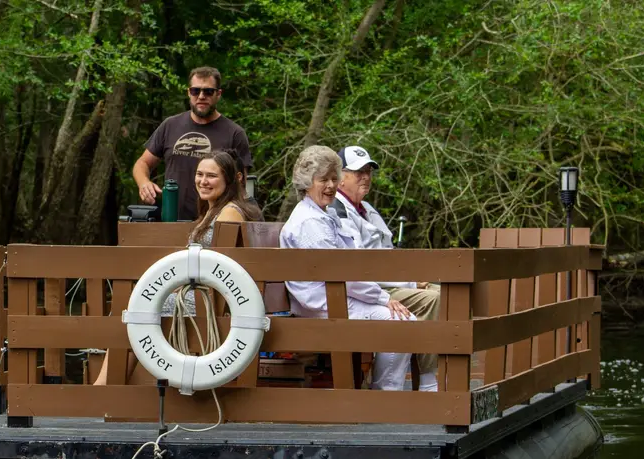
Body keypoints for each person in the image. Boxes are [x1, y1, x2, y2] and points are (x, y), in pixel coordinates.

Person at [93, 150, 261, 385]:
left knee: (139, 306)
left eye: (211, 176)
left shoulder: (229, 213)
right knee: (137, 303)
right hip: (203, 293)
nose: (203, 181)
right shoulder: (212, 210)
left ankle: (104, 387)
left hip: (215, 300)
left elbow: (221, 270)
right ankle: (110, 385)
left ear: (230, 180)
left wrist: (173, 287)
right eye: (199, 174)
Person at [279, 145, 415, 391]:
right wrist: (384, 298)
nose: (330, 186)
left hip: (336, 296)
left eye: (334, 178)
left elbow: (349, 266)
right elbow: (341, 274)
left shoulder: (324, 213)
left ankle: (384, 394)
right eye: (323, 180)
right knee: (402, 323)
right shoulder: (310, 221)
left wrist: (381, 297)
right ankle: (385, 395)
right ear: (306, 183)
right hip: (322, 303)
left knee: (404, 320)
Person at [332, 145, 440, 392]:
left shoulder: (367, 209)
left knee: (446, 290)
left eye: (368, 171)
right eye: (358, 172)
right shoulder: (338, 211)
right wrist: (412, 284)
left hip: (387, 283)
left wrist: (415, 279)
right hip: (367, 289)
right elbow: (362, 265)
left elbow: (388, 255)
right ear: (340, 177)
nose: (366, 177)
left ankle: (430, 374)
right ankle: (426, 381)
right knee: (435, 299)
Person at [132, 66, 255, 221]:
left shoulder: (234, 133)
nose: (201, 96)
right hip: (171, 220)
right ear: (189, 92)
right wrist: (144, 183)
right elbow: (142, 163)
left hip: (214, 223)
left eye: (208, 91)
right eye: (196, 91)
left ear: (218, 94)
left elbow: (240, 185)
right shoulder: (170, 125)